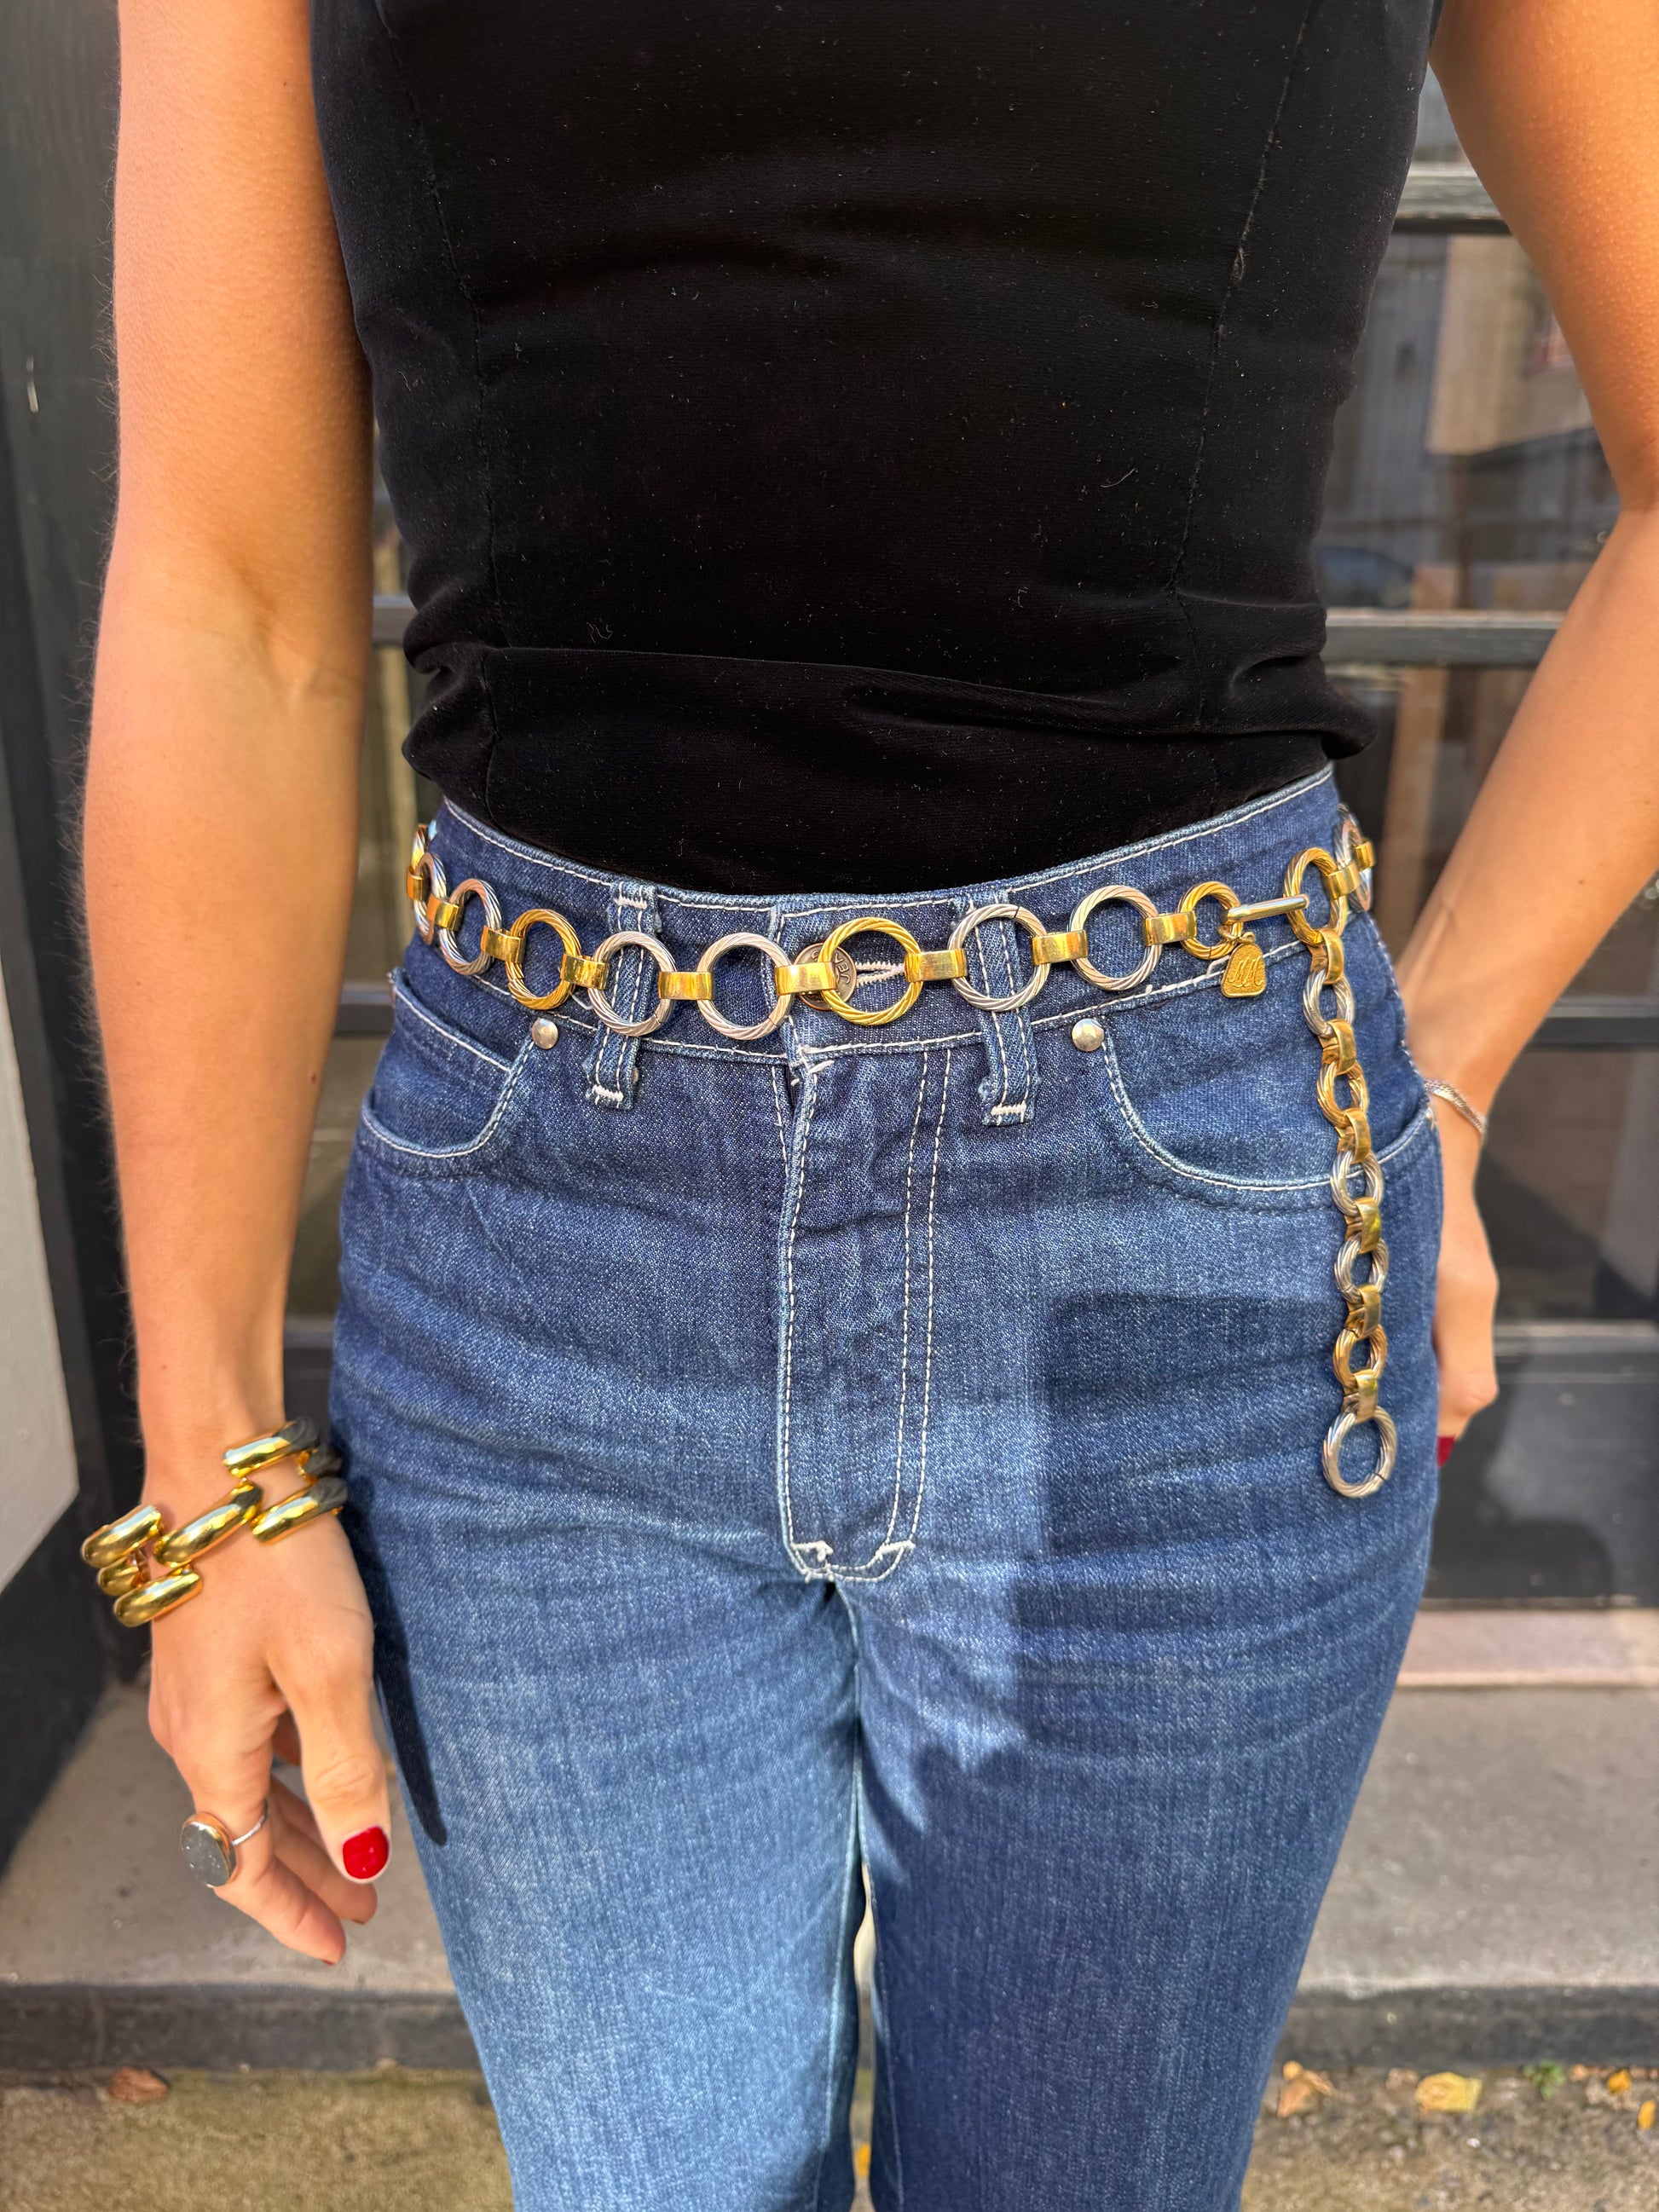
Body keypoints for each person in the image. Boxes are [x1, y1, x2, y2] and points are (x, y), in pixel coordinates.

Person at [79, 2, 1659, 2206]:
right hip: (543, 1234)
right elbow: (231, 607)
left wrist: (1438, 1074)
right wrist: (205, 1462)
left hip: (1176, 1215)